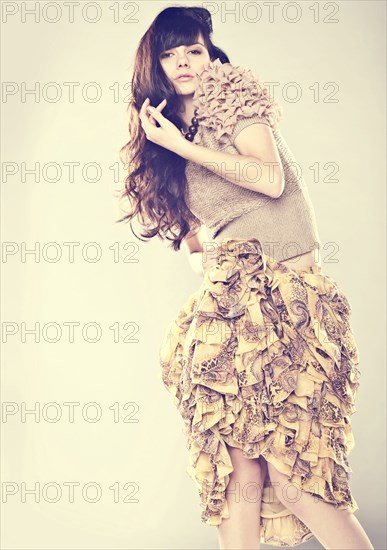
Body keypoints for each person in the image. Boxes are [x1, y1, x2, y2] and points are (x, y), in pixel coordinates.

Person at [118, 6, 374, 550]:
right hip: (232, 308)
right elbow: (193, 245)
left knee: (297, 476)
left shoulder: (232, 94)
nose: (185, 62)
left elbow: (271, 179)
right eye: (170, 54)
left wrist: (184, 148)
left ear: (211, 52)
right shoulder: (165, 135)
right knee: (240, 478)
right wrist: (210, 255)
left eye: (193, 49)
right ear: (154, 66)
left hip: (292, 301)